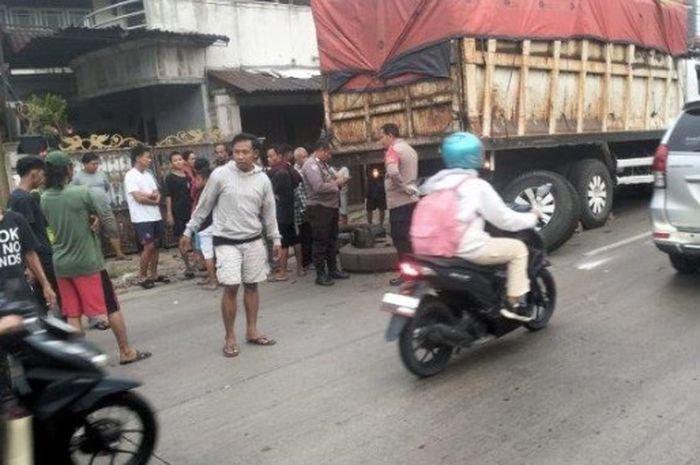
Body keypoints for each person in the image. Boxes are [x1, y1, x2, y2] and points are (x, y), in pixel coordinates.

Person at [40, 151, 151, 364]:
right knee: (111, 307)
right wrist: (102, 226)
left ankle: (79, 361)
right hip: (88, 261)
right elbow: (105, 216)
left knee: (73, 314)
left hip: (62, 263)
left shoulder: (44, 197)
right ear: (68, 170)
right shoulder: (82, 192)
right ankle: (126, 351)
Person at [420, 132, 543, 321]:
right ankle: (514, 302)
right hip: (466, 248)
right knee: (518, 249)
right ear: (474, 155)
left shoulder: (433, 184)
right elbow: (504, 220)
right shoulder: (476, 185)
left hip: (432, 250)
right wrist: (531, 218)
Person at [181, 133, 280, 358]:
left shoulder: (263, 179)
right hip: (226, 242)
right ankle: (230, 336)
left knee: (252, 285)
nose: (240, 156)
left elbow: (269, 212)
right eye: (236, 152)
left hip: (254, 240)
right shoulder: (220, 175)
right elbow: (204, 206)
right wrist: (189, 229)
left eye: (245, 152)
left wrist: (276, 239)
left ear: (255, 153)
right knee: (231, 287)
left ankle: (252, 331)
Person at [7, 156, 58, 314]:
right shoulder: (24, 199)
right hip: (40, 256)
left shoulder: (16, 197)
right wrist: (30, 266)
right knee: (48, 299)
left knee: (41, 301)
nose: (43, 178)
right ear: (34, 174)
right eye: (42, 174)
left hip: (36, 256)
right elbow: (25, 235)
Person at [301, 138, 350, 286]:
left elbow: (334, 176)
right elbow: (319, 187)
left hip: (330, 207)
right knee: (321, 242)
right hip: (319, 208)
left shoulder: (323, 164)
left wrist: (337, 180)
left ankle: (333, 270)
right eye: (328, 152)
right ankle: (320, 274)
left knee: (332, 240)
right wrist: (337, 184)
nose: (330, 156)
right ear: (321, 149)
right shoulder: (311, 165)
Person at [124, 145, 169, 290]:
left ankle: (154, 274)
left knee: (156, 246)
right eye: (147, 157)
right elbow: (138, 197)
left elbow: (156, 192)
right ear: (138, 158)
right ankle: (142, 276)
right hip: (142, 218)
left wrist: (152, 197)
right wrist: (152, 199)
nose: (149, 160)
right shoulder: (131, 175)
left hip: (155, 216)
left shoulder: (148, 175)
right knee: (148, 246)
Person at [380, 123, 419, 286]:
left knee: (400, 240)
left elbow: (394, 172)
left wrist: (403, 187)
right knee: (410, 239)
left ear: (390, 136)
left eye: (382, 136)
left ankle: (407, 275)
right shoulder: (409, 149)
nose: (380, 140)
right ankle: (415, 271)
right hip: (411, 201)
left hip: (399, 202)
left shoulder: (393, 150)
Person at [71, 152, 130, 261]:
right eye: (93, 164)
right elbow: (73, 192)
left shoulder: (101, 174)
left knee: (113, 229)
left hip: (105, 207)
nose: (96, 166)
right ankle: (98, 257)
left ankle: (119, 253)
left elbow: (106, 187)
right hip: (89, 211)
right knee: (94, 233)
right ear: (85, 164)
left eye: (97, 164)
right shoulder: (78, 177)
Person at [266, 145, 303, 281]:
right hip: (290, 208)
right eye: (268, 156)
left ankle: (282, 272)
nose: (269, 159)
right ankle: (300, 268)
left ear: (279, 156)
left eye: (271, 156)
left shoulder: (278, 172)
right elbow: (298, 180)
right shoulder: (288, 167)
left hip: (280, 210)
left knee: (283, 242)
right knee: (294, 238)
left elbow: (268, 193)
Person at [164, 151, 195, 279]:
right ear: (171, 163)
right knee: (182, 239)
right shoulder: (169, 178)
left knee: (193, 239)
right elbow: (168, 197)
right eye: (175, 160)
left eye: (180, 159)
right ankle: (187, 266)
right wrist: (169, 213)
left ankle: (198, 263)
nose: (178, 162)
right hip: (178, 211)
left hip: (191, 210)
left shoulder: (188, 175)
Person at [192, 157, 218, 290]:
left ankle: (213, 281)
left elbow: (198, 211)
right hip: (217, 225)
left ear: (205, 180)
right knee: (217, 253)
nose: (195, 182)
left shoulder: (203, 193)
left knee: (208, 254)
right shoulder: (216, 190)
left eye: (198, 179)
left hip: (205, 226)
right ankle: (217, 278)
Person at [293, 147, 312, 271]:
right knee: (305, 236)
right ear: (298, 158)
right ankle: (306, 262)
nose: (306, 158)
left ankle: (309, 260)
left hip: (308, 206)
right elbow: (299, 193)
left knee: (310, 235)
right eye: (304, 157)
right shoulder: (297, 172)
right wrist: (307, 208)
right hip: (302, 210)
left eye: (307, 156)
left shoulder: (307, 169)